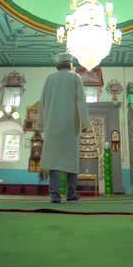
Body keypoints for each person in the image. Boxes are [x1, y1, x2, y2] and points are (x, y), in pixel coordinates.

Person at [36, 53, 90, 203]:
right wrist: (85, 123)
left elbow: (42, 102)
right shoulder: (75, 78)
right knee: (71, 159)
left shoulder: (50, 79)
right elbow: (81, 101)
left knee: (53, 160)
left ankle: (54, 195)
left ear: (57, 65)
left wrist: (40, 124)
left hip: (52, 125)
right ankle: (70, 194)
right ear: (70, 65)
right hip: (70, 125)